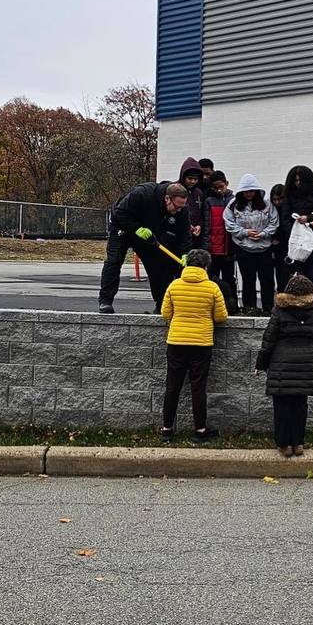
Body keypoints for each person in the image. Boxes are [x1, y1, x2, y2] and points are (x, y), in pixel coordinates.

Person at [160, 248, 228, 443]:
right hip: (201, 342)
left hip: (176, 341)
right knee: (198, 387)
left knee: (173, 386)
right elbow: (221, 317)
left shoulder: (174, 286)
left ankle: (167, 429)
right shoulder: (212, 288)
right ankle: (200, 430)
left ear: (187, 264)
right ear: (206, 266)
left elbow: (166, 314)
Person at [254, 274, 313, 458]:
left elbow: (268, 339)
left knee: (282, 405)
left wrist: (261, 364)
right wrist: (308, 351)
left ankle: (283, 444)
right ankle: (298, 443)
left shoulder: (280, 311)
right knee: (300, 404)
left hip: (280, 364)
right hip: (305, 363)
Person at [98, 181, 190, 314]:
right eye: (176, 207)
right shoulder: (142, 194)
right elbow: (120, 212)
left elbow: (184, 234)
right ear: (167, 198)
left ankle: (161, 303)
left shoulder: (181, 209)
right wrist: (136, 228)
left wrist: (185, 253)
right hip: (123, 227)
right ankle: (105, 301)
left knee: (158, 264)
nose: (178, 211)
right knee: (114, 260)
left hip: (147, 234)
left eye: (182, 207)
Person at [224, 174, 280, 312]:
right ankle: (250, 308)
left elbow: (274, 222)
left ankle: (268, 308)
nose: (249, 194)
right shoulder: (233, 206)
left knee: (267, 280)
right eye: (246, 191)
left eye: (252, 191)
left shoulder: (267, 205)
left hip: (264, 248)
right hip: (244, 249)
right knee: (248, 280)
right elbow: (228, 223)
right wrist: (245, 232)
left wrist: (264, 234)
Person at [279, 165, 313, 291]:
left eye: (300, 181)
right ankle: (300, 304)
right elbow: (285, 219)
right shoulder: (289, 196)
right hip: (298, 242)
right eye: (295, 181)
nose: (298, 184)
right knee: (299, 274)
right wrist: (298, 230)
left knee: (312, 273)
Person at [203, 170, 238, 310]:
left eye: (221, 186)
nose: (219, 190)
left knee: (230, 279)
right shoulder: (209, 201)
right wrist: (207, 245)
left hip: (229, 248)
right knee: (211, 279)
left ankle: (232, 306)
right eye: (215, 187)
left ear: (227, 184)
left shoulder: (234, 200)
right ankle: (211, 306)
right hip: (213, 249)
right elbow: (206, 224)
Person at [269, 183, 291, 292]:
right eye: (275, 200)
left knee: (285, 277)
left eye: (280, 199)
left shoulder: (289, 210)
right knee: (278, 277)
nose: (278, 202)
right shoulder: (271, 211)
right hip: (275, 249)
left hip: (287, 248)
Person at [179, 157, 206, 248]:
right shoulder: (176, 189)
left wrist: (199, 225)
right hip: (179, 235)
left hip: (195, 237)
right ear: (183, 176)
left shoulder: (199, 193)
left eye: (196, 179)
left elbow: (202, 213)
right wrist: (186, 224)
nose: (193, 181)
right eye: (190, 178)